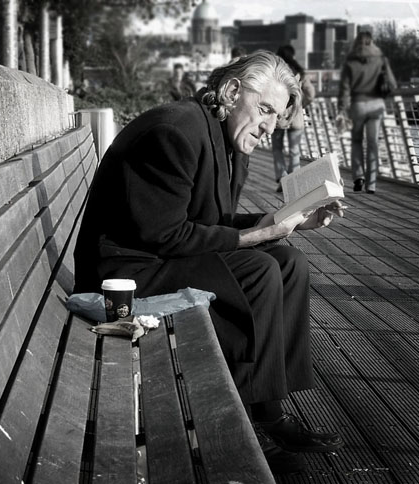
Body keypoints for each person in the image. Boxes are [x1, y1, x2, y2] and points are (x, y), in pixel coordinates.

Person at [73, 51, 345, 474]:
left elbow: (211, 223)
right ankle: (227, 425)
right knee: (258, 271)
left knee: (288, 261)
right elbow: (164, 234)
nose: (269, 128)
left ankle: (267, 409)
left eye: (275, 120)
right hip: (124, 276)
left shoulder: (223, 137)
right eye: (265, 110)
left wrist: (288, 222)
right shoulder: (174, 132)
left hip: (160, 257)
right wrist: (258, 235)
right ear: (233, 91)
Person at [338, 31, 397, 194]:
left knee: (356, 141)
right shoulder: (381, 59)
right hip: (376, 105)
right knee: (373, 144)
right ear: (372, 42)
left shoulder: (350, 62)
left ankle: (358, 177)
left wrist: (341, 108)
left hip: (357, 105)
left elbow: (344, 89)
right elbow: (392, 83)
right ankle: (371, 184)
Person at [272, 45, 315, 191]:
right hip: (296, 117)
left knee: (277, 148)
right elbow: (311, 93)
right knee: (294, 150)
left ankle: (283, 177)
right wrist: (300, 105)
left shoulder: (276, 72)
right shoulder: (300, 73)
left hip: (279, 116)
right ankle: (294, 182)